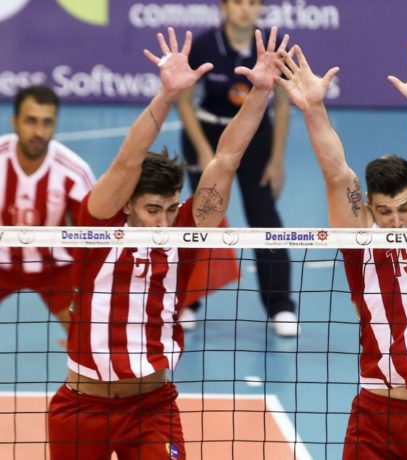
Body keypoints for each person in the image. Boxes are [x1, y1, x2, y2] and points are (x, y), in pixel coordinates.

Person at [47, 26, 288, 459]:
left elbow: (226, 159)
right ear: (127, 204)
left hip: (152, 408)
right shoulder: (100, 224)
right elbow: (127, 160)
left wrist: (260, 94)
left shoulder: (184, 232)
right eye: (152, 209)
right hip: (82, 408)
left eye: (171, 207)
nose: (163, 220)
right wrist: (167, 96)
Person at [278, 39, 407, 458]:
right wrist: (313, 108)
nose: (397, 221)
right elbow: (337, 175)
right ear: (369, 206)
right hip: (378, 416)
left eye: (405, 208)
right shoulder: (360, 239)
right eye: (385, 211)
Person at [176, 0, 298, 336]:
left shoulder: (272, 47)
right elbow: (184, 101)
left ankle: (281, 306)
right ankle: (187, 302)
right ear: (224, 7)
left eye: (252, 2)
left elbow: (283, 104)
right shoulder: (203, 45)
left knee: (264, 215)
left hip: (255, 136)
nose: (245, 9)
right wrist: (204, 150)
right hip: (208, 134)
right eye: (237, 2)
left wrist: (277, 159)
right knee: (201, 218)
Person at [0, 85, 95, 335]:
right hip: (1, 261)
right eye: (31, 121)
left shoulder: (74, 172)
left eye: (47, 122)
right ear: (14, 122)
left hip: (56, 268)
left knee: (86, 338)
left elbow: (95, 231)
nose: (39, 132)